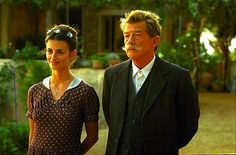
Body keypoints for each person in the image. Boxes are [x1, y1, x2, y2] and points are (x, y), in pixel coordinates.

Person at [102, 10, 200, 155]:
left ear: (154, 41)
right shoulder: (112, 75)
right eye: (126, 35)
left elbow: (189, 124)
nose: (130, 41)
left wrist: (165, 146)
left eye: (137, 35)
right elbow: (112, 118)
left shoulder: (178, 78)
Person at [26, 24, 100, 155]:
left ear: (72, 54)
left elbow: (93, 137)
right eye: (49, 51)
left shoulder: (85, 92)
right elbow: (32, 134)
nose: (53, 57)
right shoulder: (35, 90)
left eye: (60, 52)